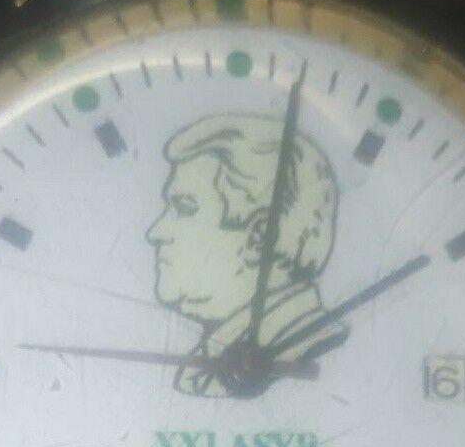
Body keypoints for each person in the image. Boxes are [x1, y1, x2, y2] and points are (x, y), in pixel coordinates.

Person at [146, 112, 347, 396]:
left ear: (261, 236)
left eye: (185, 208)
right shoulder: (208, 363)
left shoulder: (311, 345)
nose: (155, 233)